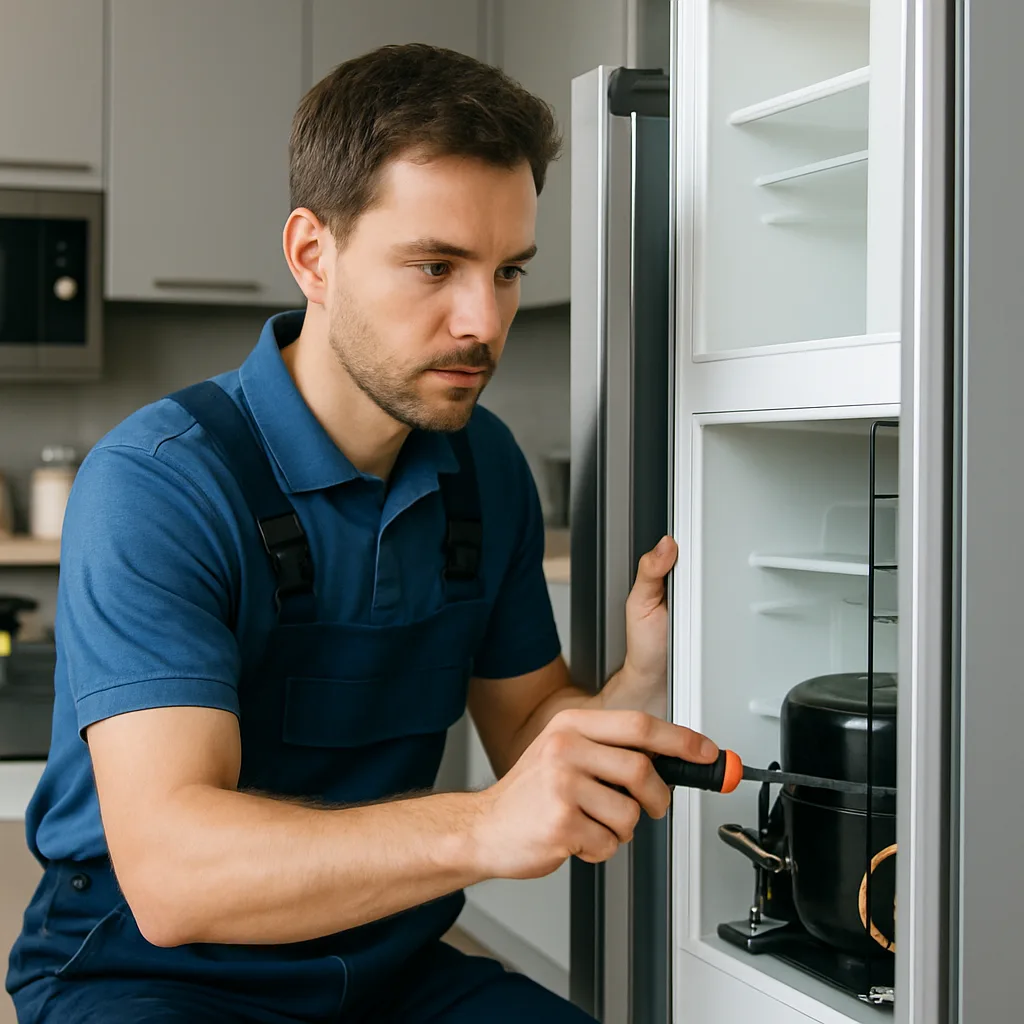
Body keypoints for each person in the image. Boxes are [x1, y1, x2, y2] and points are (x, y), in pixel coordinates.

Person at [6, 43, 717, 1024]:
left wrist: (634, 691)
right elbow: (173, 876)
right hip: (148, 975)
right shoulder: (161, 481)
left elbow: (529, 732)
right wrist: (480, 827)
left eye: (508, 271)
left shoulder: (485, 467)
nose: (483, 321)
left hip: (389, 969)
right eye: (436, 265)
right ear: (313, 255)